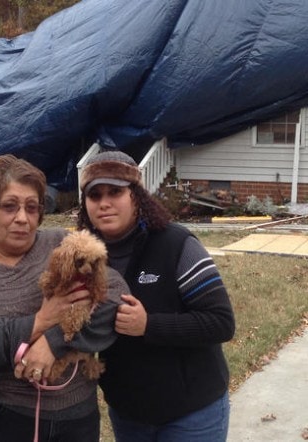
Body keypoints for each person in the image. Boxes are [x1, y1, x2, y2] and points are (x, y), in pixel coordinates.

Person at [0, 154, 129, 442]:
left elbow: (116, 297)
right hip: (4, 421)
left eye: (32, 207)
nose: (22, 219)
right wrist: (39, 321)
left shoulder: (62, 244)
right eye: (9, 206)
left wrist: (53, 343)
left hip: (78, 419)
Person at [77, 149, 236, 442]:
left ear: (136, 196)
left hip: (191, 413)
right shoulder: (84, 258)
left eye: (115, 192)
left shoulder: (176, 245)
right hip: (128, 413)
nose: (104, 203)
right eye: (94, 195)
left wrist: (149, 325)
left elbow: (221, 322)